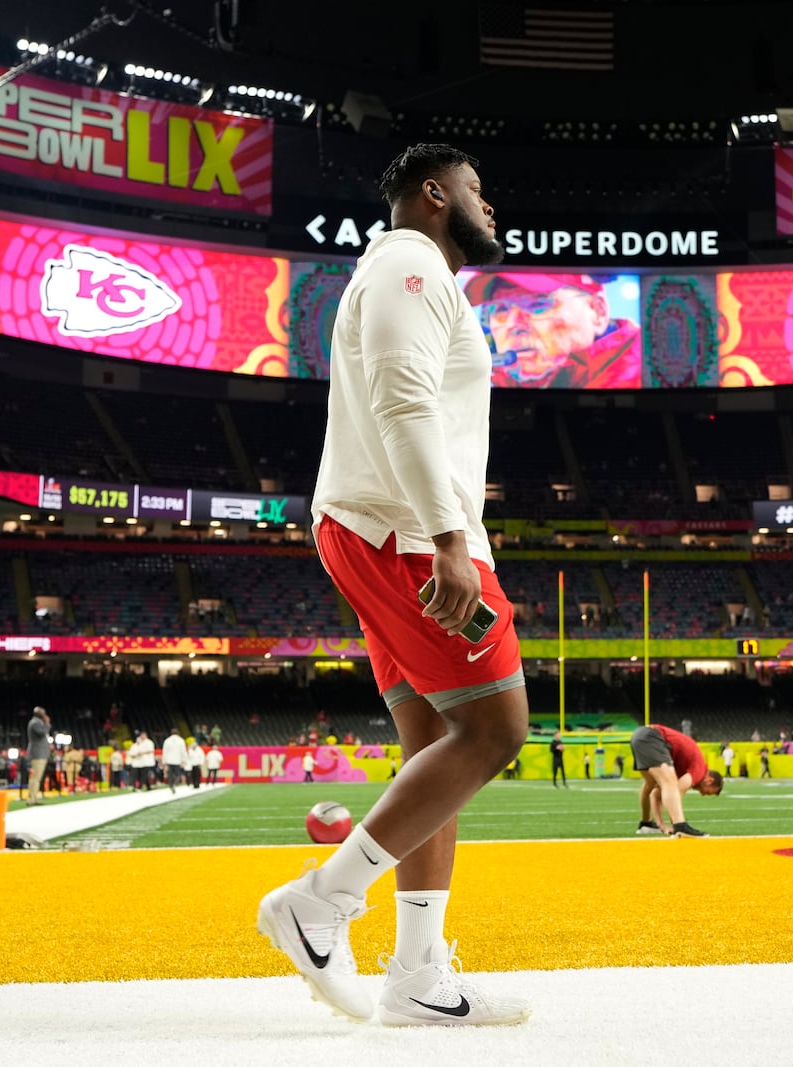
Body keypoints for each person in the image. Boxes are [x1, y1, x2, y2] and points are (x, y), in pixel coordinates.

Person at [256, 144, 530, 1028]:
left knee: (434, 746)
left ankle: (416, 973)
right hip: (407, 530)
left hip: (382, 521)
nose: (492, 206)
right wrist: (450, 538)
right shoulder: (413, 263)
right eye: (480, 191)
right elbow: (403, 404)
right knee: (494, 728)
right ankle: (321, 901)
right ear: (436, 194)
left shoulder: (404, 272)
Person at [464, 273, 641, 389]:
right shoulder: (486, 383)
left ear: (598, 312)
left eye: (537, 305)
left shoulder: (646, 372)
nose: (513, 325)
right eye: (501, 310)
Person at [631, 723, 722, 838]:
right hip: (653, 737)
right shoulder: (700, 770)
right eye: (708, 792)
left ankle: (646, 824)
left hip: (640, 736)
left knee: (651, 784)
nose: (703, 794)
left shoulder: (685, 768)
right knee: (670, 783)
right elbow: (677, 790)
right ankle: (680, 826)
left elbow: (655, 795)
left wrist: (662, 825)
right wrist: (675, 822)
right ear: (709, 780)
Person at [26, 707, 52, 804]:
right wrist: (47, 723)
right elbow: (43, 733)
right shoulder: (35, 723)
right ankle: (31, 799)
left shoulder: (36, 722)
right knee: (35, 778)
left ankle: (34, 798)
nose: (45, 714)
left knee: (36, 778)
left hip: (39, 754)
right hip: (37, 754)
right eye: (43, 712)